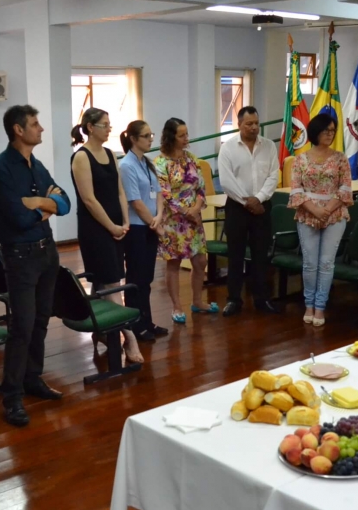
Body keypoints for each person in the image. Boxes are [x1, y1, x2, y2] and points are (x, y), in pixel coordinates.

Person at [0, 105, 69, 428]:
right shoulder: (0, 169)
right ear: (18, 130)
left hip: (47, 252)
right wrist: (45, 207)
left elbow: (65, 203)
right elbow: (18, 219)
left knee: (41, 321)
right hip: (20, 256)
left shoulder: (36, 165)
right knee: (21, 327)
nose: (41, 129)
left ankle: (33, 379)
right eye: (35, 124)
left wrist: (38, 203)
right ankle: (12, 397)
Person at [71, 109, 143, 364]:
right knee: (112, 282)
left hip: (116, 226)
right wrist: (110, 226)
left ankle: (102, 331)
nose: (109, 129)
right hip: (95, 230)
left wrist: (124, 221)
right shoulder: (81, 157)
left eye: (109, 125)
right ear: (90, 127)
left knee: (103, 280)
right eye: (104, 125)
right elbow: (89, 200)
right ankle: (129, 337)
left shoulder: (111, 154)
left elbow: (120, 192)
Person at [287, 113, 353, 327]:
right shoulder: (300, 160)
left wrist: (327, 209)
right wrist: (315, 209)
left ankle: (320, 307)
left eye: (333, 131)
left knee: (326, 263)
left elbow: (345, 188)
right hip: (308, 213)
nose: (330, 134)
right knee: (310, 263)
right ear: (316, 132)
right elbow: (296, 190)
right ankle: (308, 304)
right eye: (326, 130)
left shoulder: (340, 158)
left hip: (334, 214)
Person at [218, 106, 281, 317]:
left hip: (262, 206)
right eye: (249, 124)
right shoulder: (228, 148)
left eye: (256, 123)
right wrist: (248, 202)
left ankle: (261, 299)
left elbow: (273, 176)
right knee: (235, 255)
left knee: (260, 256)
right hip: (237, 207)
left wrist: (259, 199)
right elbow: (227, 181)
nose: (254, 127)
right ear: (239, 124)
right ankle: (234, 299)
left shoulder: (269, 146)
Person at [154, 118, 216, 324]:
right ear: (170, 137)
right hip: (173, 222)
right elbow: (165, 194)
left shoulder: (191, 158)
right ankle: (177, 306)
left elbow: (200, 187)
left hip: (194, 220)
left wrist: (196, 208)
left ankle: (197, 301)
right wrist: (184, 211)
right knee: (174, 264)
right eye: (182, 135)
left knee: (200, 261)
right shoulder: (161, 163)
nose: (186, 139)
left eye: (186, 134)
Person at [119, 120, 168, 342]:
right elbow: (135, 202)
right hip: (138, 229)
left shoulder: (147, 163)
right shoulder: (127, 165)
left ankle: (147, 320)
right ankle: (135, 324)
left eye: (151, 134)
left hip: (150, 226)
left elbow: (158, 193)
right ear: (133, 139)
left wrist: (158, 218)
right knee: (136, 278)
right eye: (146, 135)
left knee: (146, 278)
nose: (151, 139)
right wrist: (155, 224)